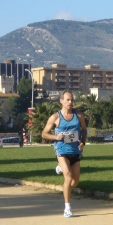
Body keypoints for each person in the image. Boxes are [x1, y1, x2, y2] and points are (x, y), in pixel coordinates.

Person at [42, 90, 87, 218]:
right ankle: (67, 208)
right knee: (68, 177)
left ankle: (60, 168)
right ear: (61, 101)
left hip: (75, 151)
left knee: (75, 182)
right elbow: (44, 134)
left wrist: (83, 142)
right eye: (67, 100)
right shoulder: (55, 117)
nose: (70, 102)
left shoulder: (79, 116)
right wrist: (56, 137)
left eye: (72, 100)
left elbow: (84, 130)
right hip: (61, 150)